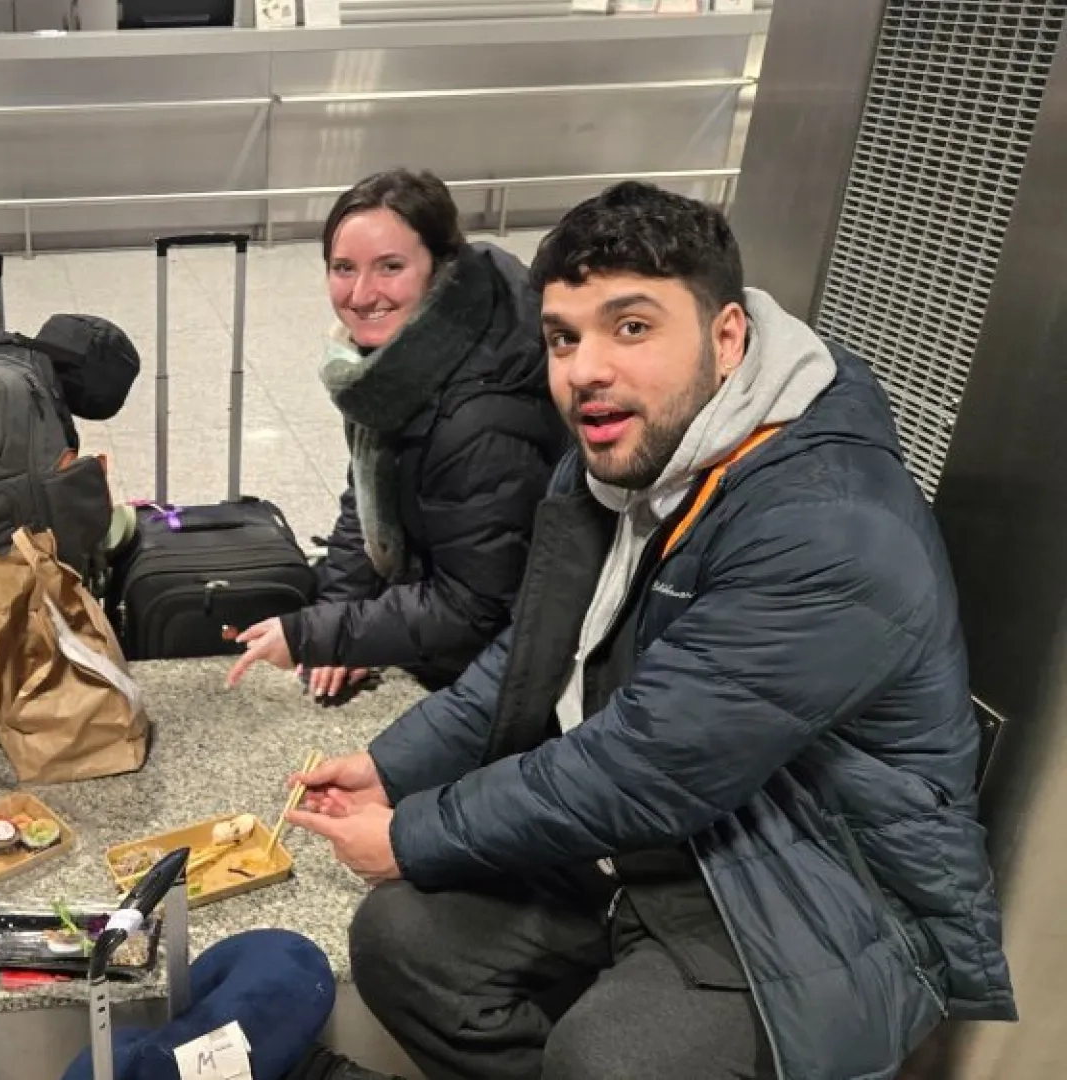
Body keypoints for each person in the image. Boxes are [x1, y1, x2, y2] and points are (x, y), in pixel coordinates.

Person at [286, 182, 1014, 1080]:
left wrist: (410, 834)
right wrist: (393, 765)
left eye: (631, 327)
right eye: (564, 337)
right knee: (405, 940)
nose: (586, 370)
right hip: (663, 843)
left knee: (614, 1059)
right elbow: (535, 651)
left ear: (728, 337)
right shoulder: (619, 461)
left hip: (806, 886)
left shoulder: (825, 526)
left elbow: (648, 764)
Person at [227, 169, 563, 701]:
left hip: (495, 673)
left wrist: (327, 633)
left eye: (390, 267)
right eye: (343, 268)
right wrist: (337, 617)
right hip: (434, 609)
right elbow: (366, 499)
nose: (362, 294)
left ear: (441, 266)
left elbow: (475, 605)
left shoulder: (479, 418)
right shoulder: (393, 371)